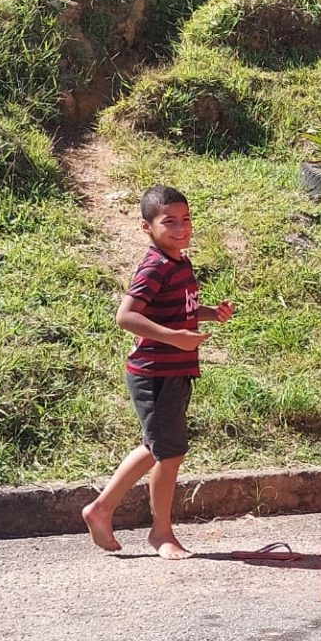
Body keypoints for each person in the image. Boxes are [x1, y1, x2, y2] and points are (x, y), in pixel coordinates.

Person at [81, 186, 233, 560]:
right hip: (155, 374)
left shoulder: (179, 263)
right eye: (170, 222)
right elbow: (126, 316)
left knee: (158, 447)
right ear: (147, 227)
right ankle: (161, 533)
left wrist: (211, 313)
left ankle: (101, 509)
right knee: (170, 453)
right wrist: (174, 338)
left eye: (186, 219)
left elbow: (178, 310)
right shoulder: (155, 266)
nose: (181, 228)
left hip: (174, 372)